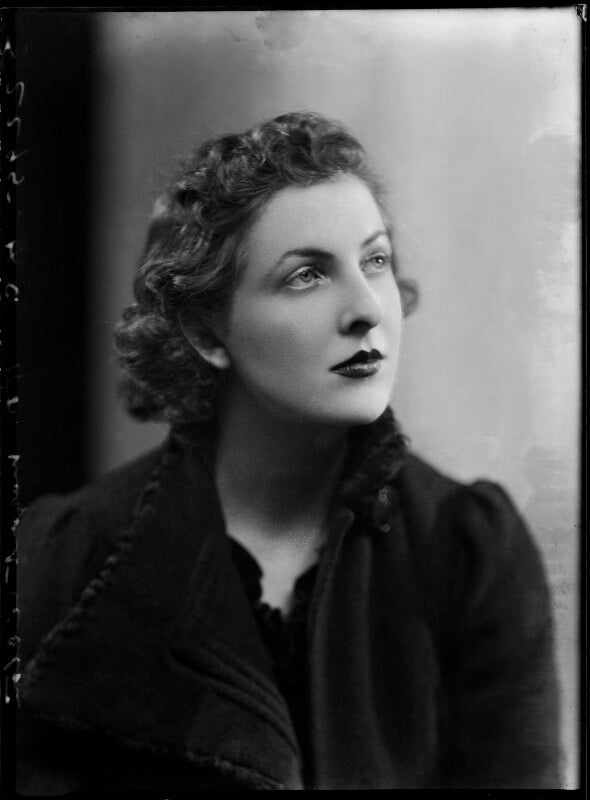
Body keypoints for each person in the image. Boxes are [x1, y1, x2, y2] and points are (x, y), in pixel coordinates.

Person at [16, 111, 562, 791]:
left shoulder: (467, 551)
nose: (367, 308)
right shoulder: (65, 562)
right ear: (206, 332)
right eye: (307, 275)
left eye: (376, 261)